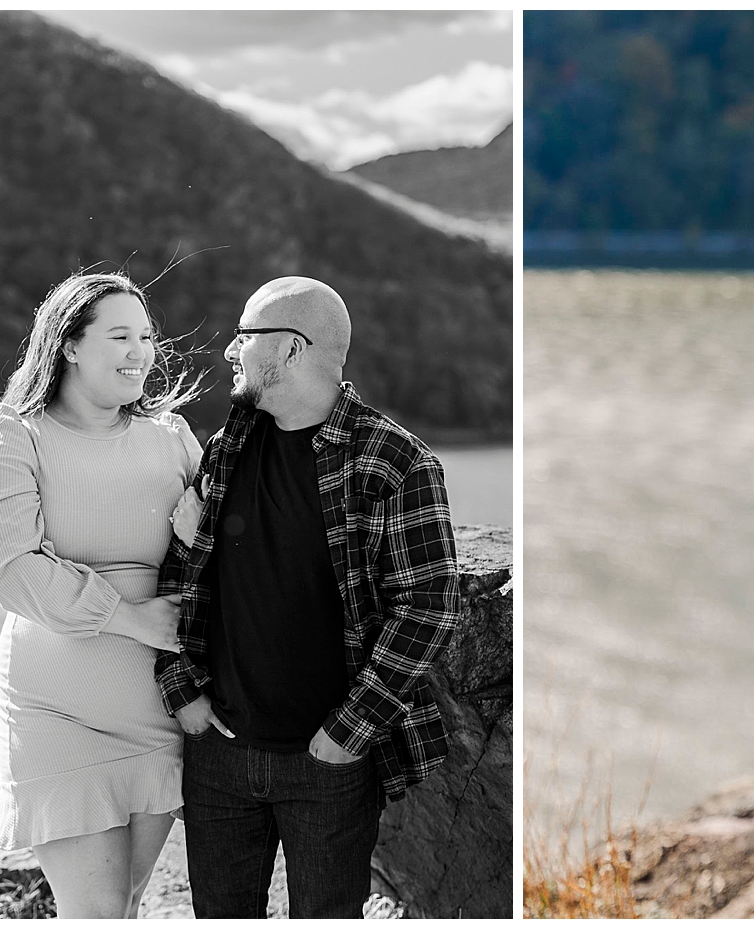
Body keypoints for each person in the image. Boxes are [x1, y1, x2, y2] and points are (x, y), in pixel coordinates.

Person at [151, 276, 461, 918]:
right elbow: (182, 571)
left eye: (245, 336)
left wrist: (346, 737)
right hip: (218, 755)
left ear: (290, 349)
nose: (231, 351)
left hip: (329, 766)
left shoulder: (395, 462)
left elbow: (429, 607)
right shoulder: (226, 448)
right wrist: (183, 692)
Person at [0, 272, 203, 917]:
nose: (141, 352)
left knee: (121, 903)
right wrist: (131, 618)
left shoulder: (173, 436)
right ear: (69, 344)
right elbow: (13, 571)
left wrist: (196, 534)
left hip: (158, 711)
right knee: (94, 912)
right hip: (58, 710)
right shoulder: (15, 435)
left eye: (147, 337)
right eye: (120, 336)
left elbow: (224, 550)